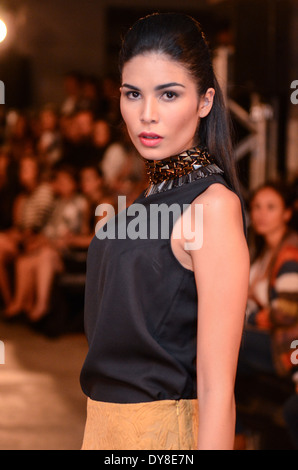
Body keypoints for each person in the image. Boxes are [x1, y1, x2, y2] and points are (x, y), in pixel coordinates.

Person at [80, 12, 250, 451]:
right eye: (132, 93)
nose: (146, 114)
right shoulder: (144, 203)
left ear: (205, 101)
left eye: (168, 94)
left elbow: (217, 390)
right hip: (99, 434)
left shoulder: (213, 207)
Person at [235, 181, 298, 449]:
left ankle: (232, 437)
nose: (261, 214)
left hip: (288, 347)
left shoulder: (290, 251)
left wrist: (248, 319)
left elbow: (286, 312)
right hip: (272, 340)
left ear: (287, 213)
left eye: (271, 207)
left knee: (225, 345)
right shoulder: (263, 252)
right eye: (257, 207)